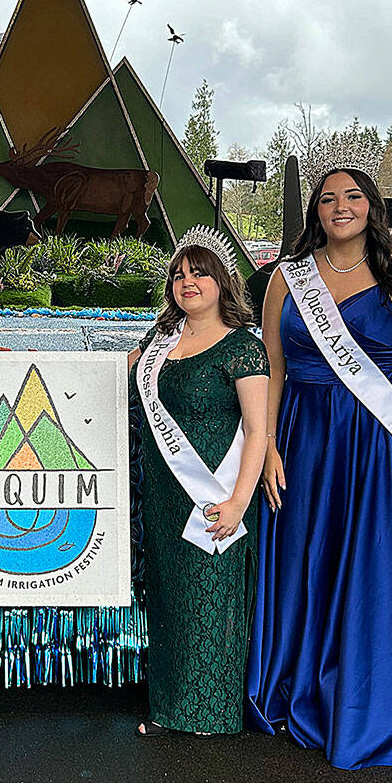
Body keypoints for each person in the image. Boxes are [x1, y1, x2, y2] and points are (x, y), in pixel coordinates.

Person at [247, 156, 392, 768]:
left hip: (371, 445)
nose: (341, 206)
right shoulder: (288, 278)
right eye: (328, 197)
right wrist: (267, 450)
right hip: (302, 440)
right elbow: (272, 372)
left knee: (369, 568)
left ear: (372, 208)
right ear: (316, 210)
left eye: (354, 196)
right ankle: (296, 688)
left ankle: (370, 705)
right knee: (302, 562)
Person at [127, 225, 269, 737]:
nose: (188, 282)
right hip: (165, 494)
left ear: (222, 282)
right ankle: (168, 707)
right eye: (180, 274)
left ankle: (211, 710)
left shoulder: (244, 348)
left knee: (213, 594)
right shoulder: (158, 341)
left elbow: (257, 431)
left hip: (220, 491)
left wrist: (237, 502)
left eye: (200, 273)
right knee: (171, 597)